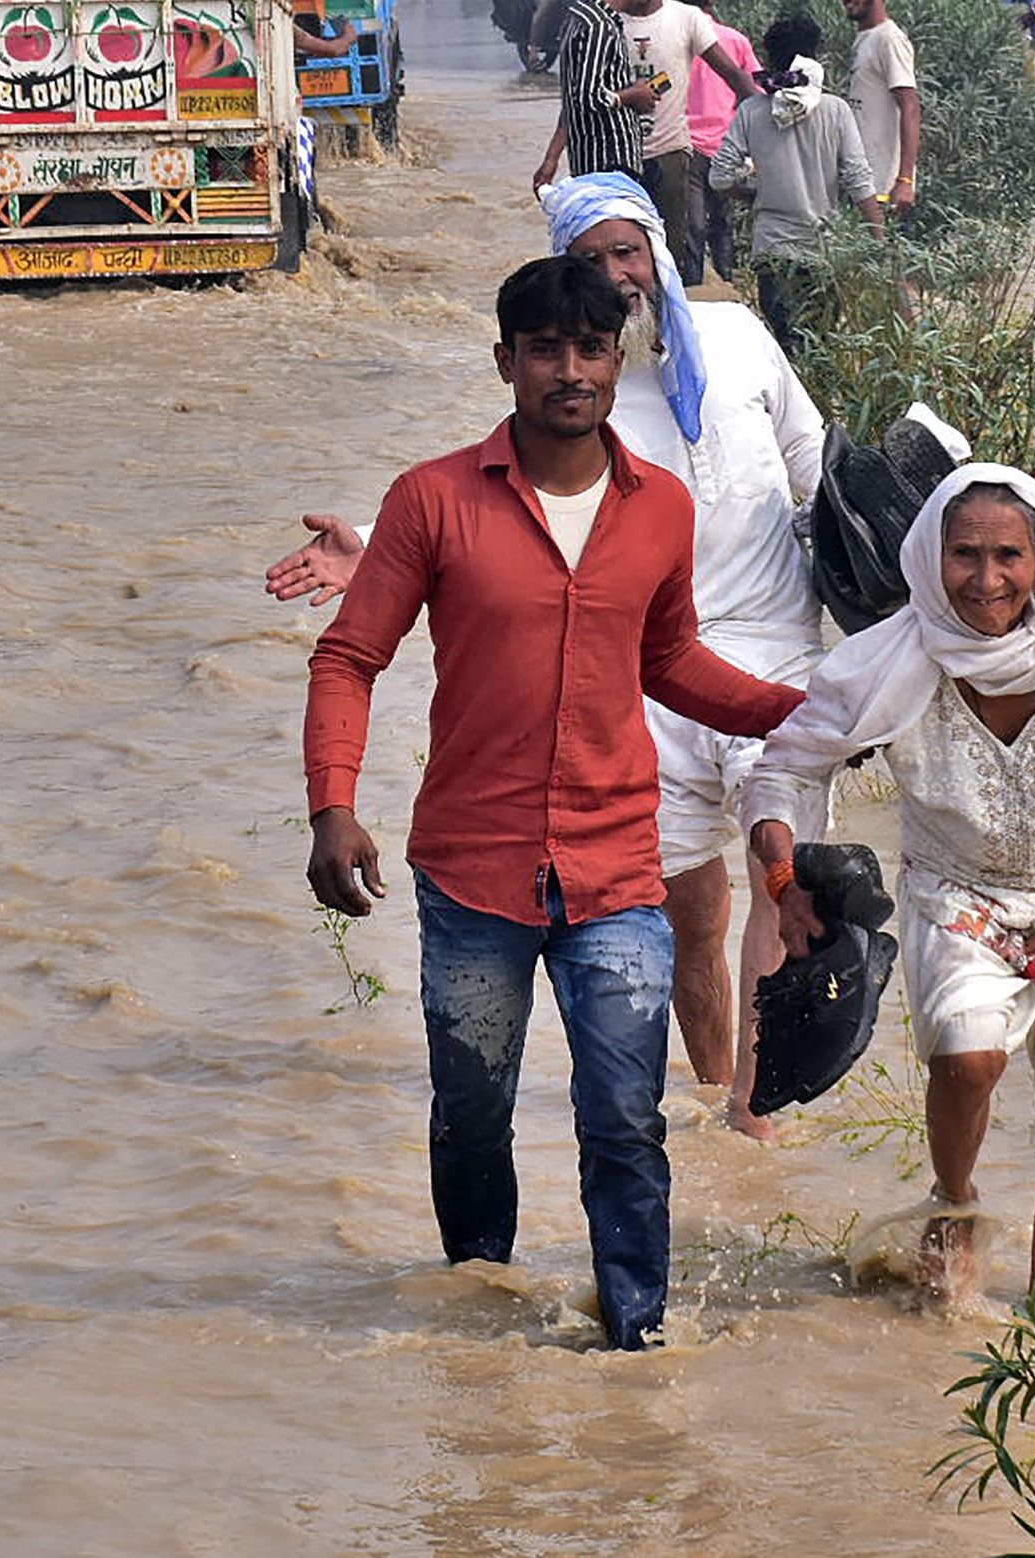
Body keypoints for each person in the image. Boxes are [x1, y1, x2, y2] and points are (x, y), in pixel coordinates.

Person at [300, 254, 806, 1349]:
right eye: (543, 349)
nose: (567, 371)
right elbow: (348, 656)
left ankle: (637, 1339)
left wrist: (797, 712)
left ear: (615, 364)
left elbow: (670, 658)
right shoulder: (432, 499)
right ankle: (477, 1326)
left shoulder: (658, 508)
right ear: (505, 362)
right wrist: (331, 805)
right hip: (473, 873)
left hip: (618, 867)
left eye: (588, 348)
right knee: (472, 1115)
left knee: (624, 1116)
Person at [272, 178, 830, 1137]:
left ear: (657, 255)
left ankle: (750, 1111)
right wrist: (369, 539)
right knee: (685, 912)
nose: (615, 276)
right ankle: (709, 1085)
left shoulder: (734, 351)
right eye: (593, 260)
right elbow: (497, 506)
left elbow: (818, 475)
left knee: (777, 880)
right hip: (628, 706)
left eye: (629, 253)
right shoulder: (565, 403)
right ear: (516, 356)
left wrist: (849, 686)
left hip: (767, 649)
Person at [742, 467, 1035, 1304]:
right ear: (929, 559)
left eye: (1008, 555)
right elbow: (785, 768)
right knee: (966, 1057)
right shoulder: (886, 665)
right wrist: (785, 879)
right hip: (960, 898)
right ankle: (954, 1201)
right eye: (964, 554)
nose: (986, 579)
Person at [710, 17, 887, 352]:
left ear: (769, 59)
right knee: (818, 349)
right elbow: (859, 180)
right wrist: (879, 241)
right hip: (822, 254)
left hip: (772, 254)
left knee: (785, 350)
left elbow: (719, 178)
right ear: (813, 57)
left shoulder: (751, 112)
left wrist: (755, 193)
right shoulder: (836, 110)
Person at [610, 0, 754, 280]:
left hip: (681, 149)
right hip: (697, 147)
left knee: (687, 233)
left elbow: (736, 77)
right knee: (713, 224)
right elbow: (745, 82)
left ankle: (693, 287)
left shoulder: (688, 22)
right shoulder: (605, 24)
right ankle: (720, 278)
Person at [534, 0, 655, 187]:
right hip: (609, 163)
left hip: (591, 163)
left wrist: (551, 157)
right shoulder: (599, 26)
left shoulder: (581, 15)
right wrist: (634, 95)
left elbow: (573, 99)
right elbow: (589, 98)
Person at [667, 0, 753, 284]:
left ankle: (694, 288)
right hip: (725, 145)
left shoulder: (671, 42)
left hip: (686, 146)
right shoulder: (734, 40)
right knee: (722, 221)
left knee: (694, 225)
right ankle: (727, 285)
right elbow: (753, 89)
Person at [835, 0, 920, 218]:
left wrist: (905, 180)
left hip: (884, 189)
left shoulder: (889, 40)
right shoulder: (865, 38)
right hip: (861, 185)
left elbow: (909, 105)